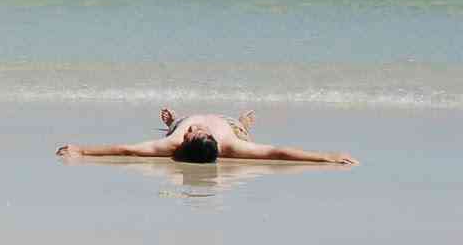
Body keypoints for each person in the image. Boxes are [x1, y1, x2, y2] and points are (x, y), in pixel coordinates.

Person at [56, 107, 356, 164]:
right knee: (243, 132)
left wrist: (82, 150)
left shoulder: (173, 142)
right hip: (230, 125)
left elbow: (126, 149)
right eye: (192, 130)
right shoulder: (228, 142)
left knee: (176, 121)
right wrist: (326, 156)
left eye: (188, 133)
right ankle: (243, 124)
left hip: (224, 126)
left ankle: (173, 119)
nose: (193, 129)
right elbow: (277, 152)